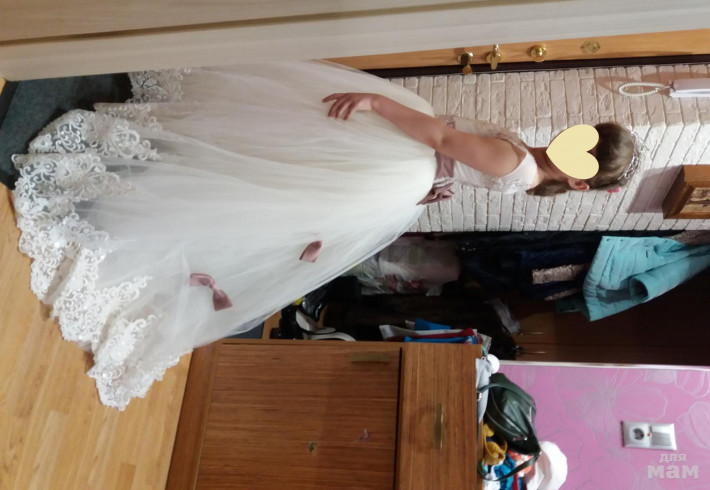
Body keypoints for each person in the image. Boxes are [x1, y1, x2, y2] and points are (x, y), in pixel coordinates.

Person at [11, 61, 637, 409]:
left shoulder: (518, 166)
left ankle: (146, 184)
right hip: (403, 163)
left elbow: (444, 139)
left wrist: (376, 104)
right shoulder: (524, 163)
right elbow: (451, 151)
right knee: (272, 161)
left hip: (399, 156)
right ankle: (165, 160)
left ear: (579, 179)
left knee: (274, 172)